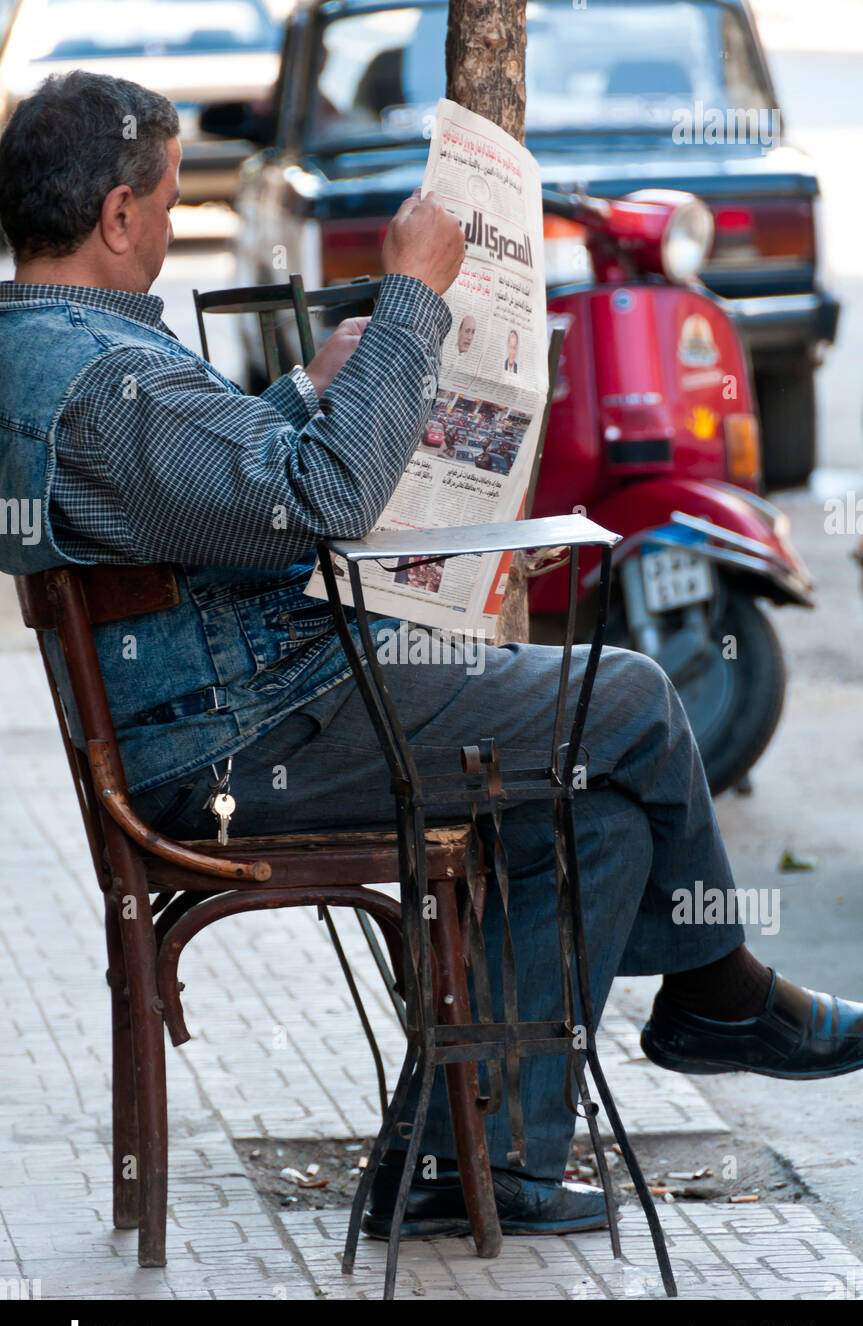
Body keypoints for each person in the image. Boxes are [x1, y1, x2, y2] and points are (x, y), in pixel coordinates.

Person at [3, 72, 863, 1247]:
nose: (166, 224)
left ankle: (473, 1170)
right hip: (246, 743)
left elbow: (212, 485)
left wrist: (312, 385)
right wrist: (410, 298)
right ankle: (720, 991)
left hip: (228, 717)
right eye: (159, 203)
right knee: (625, 697)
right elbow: (327, 497)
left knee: (594, 814)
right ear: (113, 217)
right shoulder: (103, 381)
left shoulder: (58, 356)